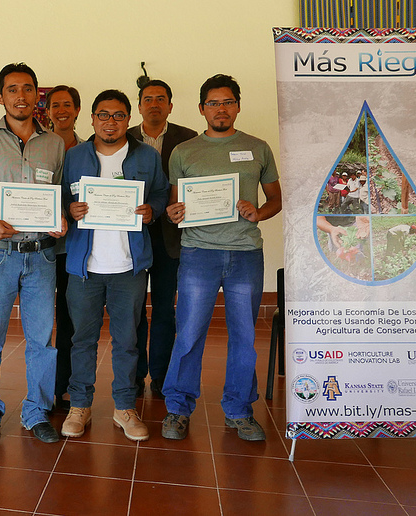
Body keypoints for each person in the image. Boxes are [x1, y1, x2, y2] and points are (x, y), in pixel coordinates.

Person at [162, 74, 282, 442]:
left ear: (238, 106)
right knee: (190, 333)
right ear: (201, 109)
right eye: (213, 103)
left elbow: (277, 198)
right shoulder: (184, 152)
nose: (221, 109)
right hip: (199, 253)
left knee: (245, 336)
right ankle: (178, 409)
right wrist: (174, 212)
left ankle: (239, 410)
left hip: (246, 254)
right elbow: (174, 203)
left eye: (227, 102)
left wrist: (259, 214)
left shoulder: (258, 148)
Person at [0, 63, 67, 449]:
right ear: (0, 97)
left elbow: (57, 195)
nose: (21, 96)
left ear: (36, 95)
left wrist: (59, 219)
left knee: (42, 340)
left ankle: (37, 412)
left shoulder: (55, 143)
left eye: (28, 89)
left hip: (41, 256)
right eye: (12, 89)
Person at [61, 90, 169, 441]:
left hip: (128, 266)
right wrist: (69, 210)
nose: (110, 121)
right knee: (82, 339)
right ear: (91, 118)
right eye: (103, 114)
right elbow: (59, 197)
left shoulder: (147, 156)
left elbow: (161, 194)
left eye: (119, 115)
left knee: (127, 341)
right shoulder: (74, 156)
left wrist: (151, 211)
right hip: (84, 267)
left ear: (128, 119)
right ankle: (80, 405)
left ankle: (124, 408)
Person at [128, 79, 198, 398]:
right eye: (148, 99)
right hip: (131, 236)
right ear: (139, 105)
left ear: (170, 105)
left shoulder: (188, 139)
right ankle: (134, 371)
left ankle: (160, 372)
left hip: (172, 237)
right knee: (133, 307)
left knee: (165, 307)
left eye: (161, 99)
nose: (154, 104)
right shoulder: (123, 136)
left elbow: (197, 187)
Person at [46, 84, 84, 410]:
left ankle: (66, 384)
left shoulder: (87, 151)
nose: (62, 110)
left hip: (77, 247)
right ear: (48, 111)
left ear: (77, 111)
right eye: (55, 105)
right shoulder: (42, 148)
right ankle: (47, 387)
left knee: (71, 318)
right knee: (45, 318)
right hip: (46, 247)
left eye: (67, 105)